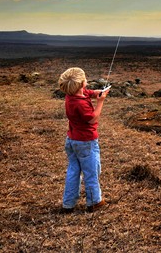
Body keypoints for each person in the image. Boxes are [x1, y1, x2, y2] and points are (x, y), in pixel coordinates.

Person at [58, 67, 109, 213]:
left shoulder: (71, 95)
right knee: (91, 171)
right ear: (81, 83)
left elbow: (87, 93)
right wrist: (100, 102)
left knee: (73, 170)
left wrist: (97, 93)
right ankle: (94, 202)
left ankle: (68, 204)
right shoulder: (80, 104)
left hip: (72, 140)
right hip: (86, 142)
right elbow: (92, 119)